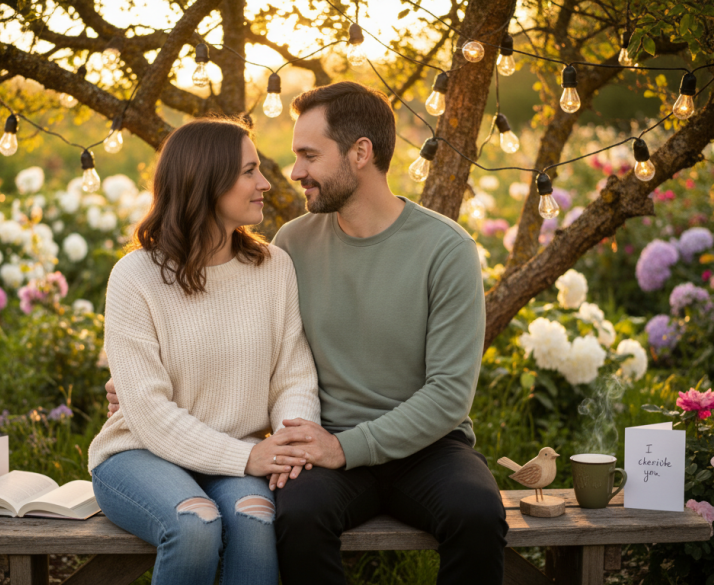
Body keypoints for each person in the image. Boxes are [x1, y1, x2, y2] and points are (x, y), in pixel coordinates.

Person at [106, 82, 508, 584]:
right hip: (321, 443)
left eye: (309, 156)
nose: (292, 174)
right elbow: (269, 355)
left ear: (360, 153)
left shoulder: (446, 250)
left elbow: (448, 395)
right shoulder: (293, 244)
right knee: (295, 517)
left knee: (478, 515)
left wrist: (336, 448)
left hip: (425, 447)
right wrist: (142, 386)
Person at [88, 117, 321, 585]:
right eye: (249, 171)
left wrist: (291, 441)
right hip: (140, 453)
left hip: (243, 451)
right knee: (195, 525)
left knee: (255, 520)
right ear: (205, 181)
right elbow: (148, 411)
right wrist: (246, 459)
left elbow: (293, 377)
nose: (265, 183)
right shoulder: (135, 277)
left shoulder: (273, 267)